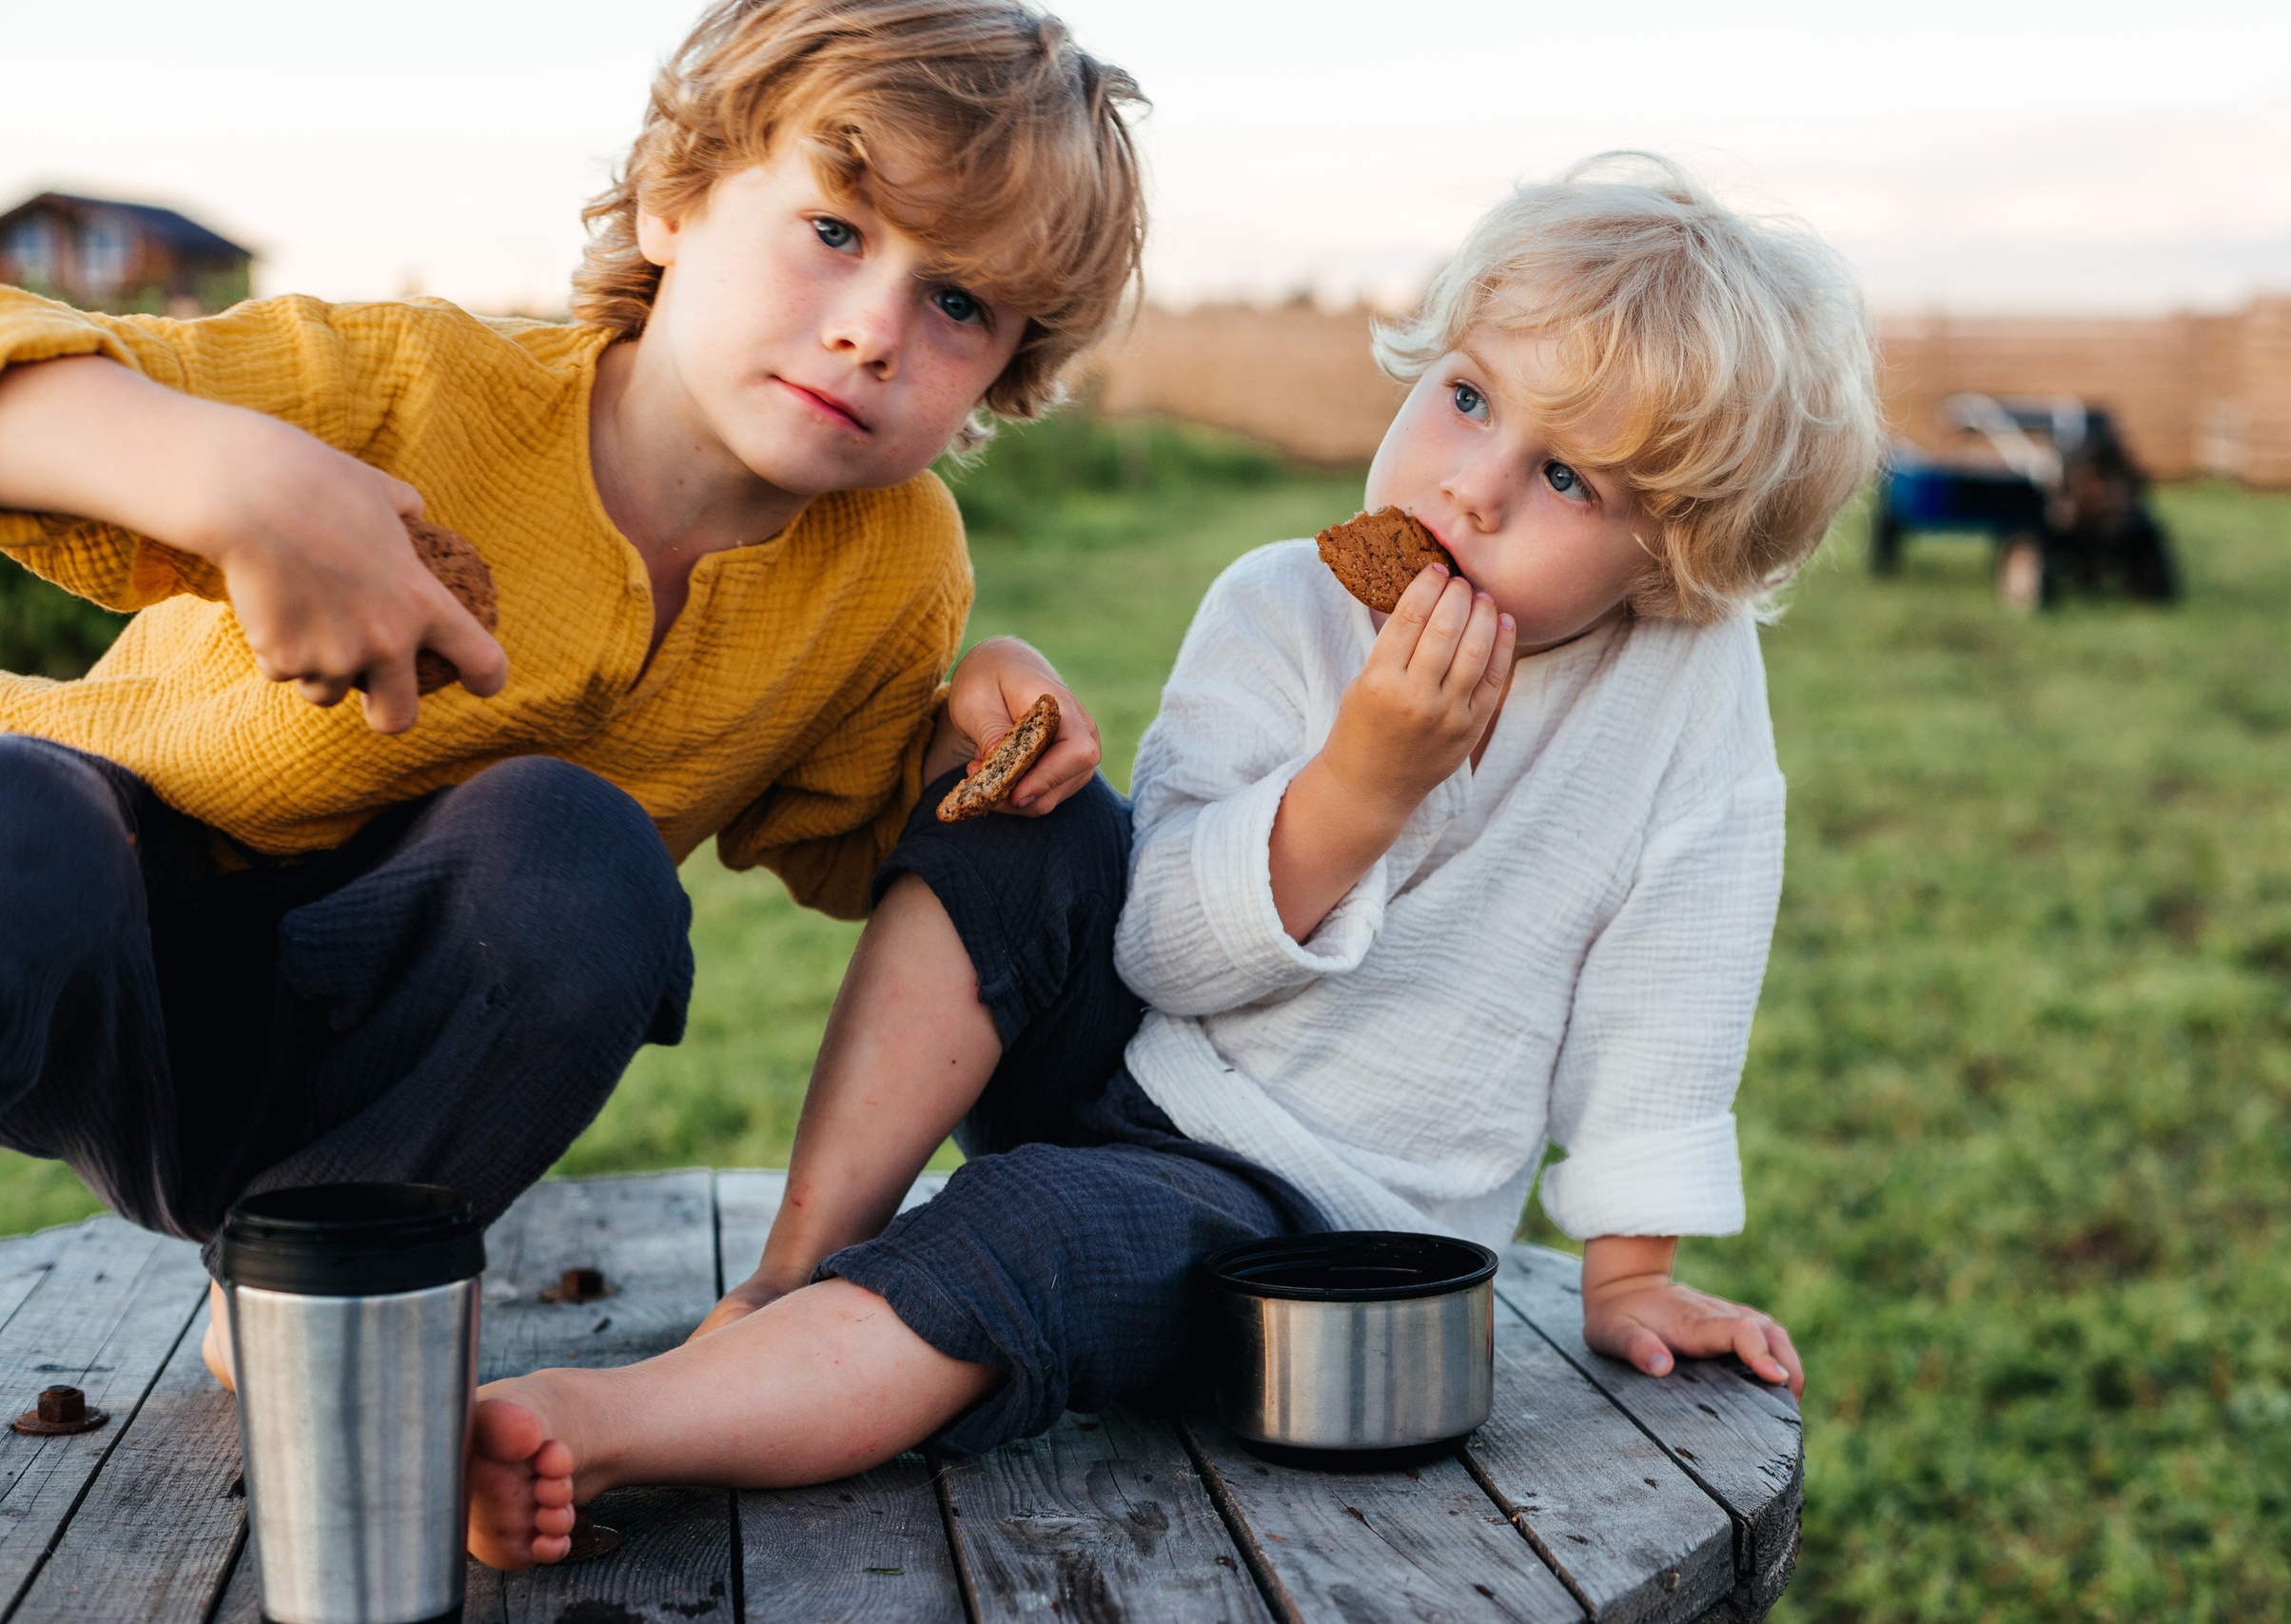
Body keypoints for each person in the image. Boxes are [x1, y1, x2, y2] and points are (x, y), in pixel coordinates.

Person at [461, 150, 1883, 1571]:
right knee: (1026, 826)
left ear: (1675, 556)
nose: (1475, 487)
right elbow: (1159, 946)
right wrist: (1356, 787)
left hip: (1299, 1206)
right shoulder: (1284, 605)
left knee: (1026, 1238)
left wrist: (1634, 1272)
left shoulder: (1685, 697)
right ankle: (785, 1271)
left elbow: (1678, 981)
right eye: (1464, 398)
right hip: (1134, 1038)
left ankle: (613, 1422)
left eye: (1568, 475)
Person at [0, 0, 1146, 1390]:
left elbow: (867, 854)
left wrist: (979, 707)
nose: (872, 330)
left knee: (578, 858)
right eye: (837, 232)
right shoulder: (413, 384)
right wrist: (240, 480)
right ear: (677, 199)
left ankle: (328, 1276)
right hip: (88, 930)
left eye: (959, 304)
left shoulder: (892, 565)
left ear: (1004, 376)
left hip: (383, 1045)